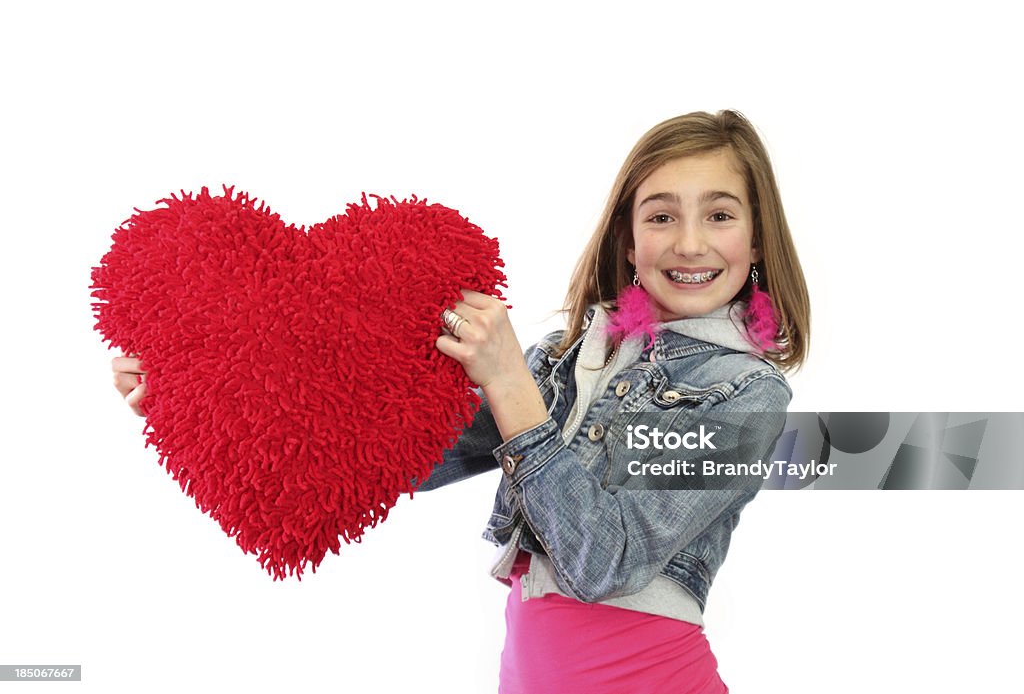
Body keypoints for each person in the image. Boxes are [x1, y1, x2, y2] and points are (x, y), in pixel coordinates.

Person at [111, 110, 810, 693]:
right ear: (628, 237)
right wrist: (197, 389)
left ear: (756, 239)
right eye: (662, 215)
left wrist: (508, 382)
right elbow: (398, 457)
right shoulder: (565, 359)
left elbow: (606, 560)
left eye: (719, 214)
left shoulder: (747, 395)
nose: (689, 241)